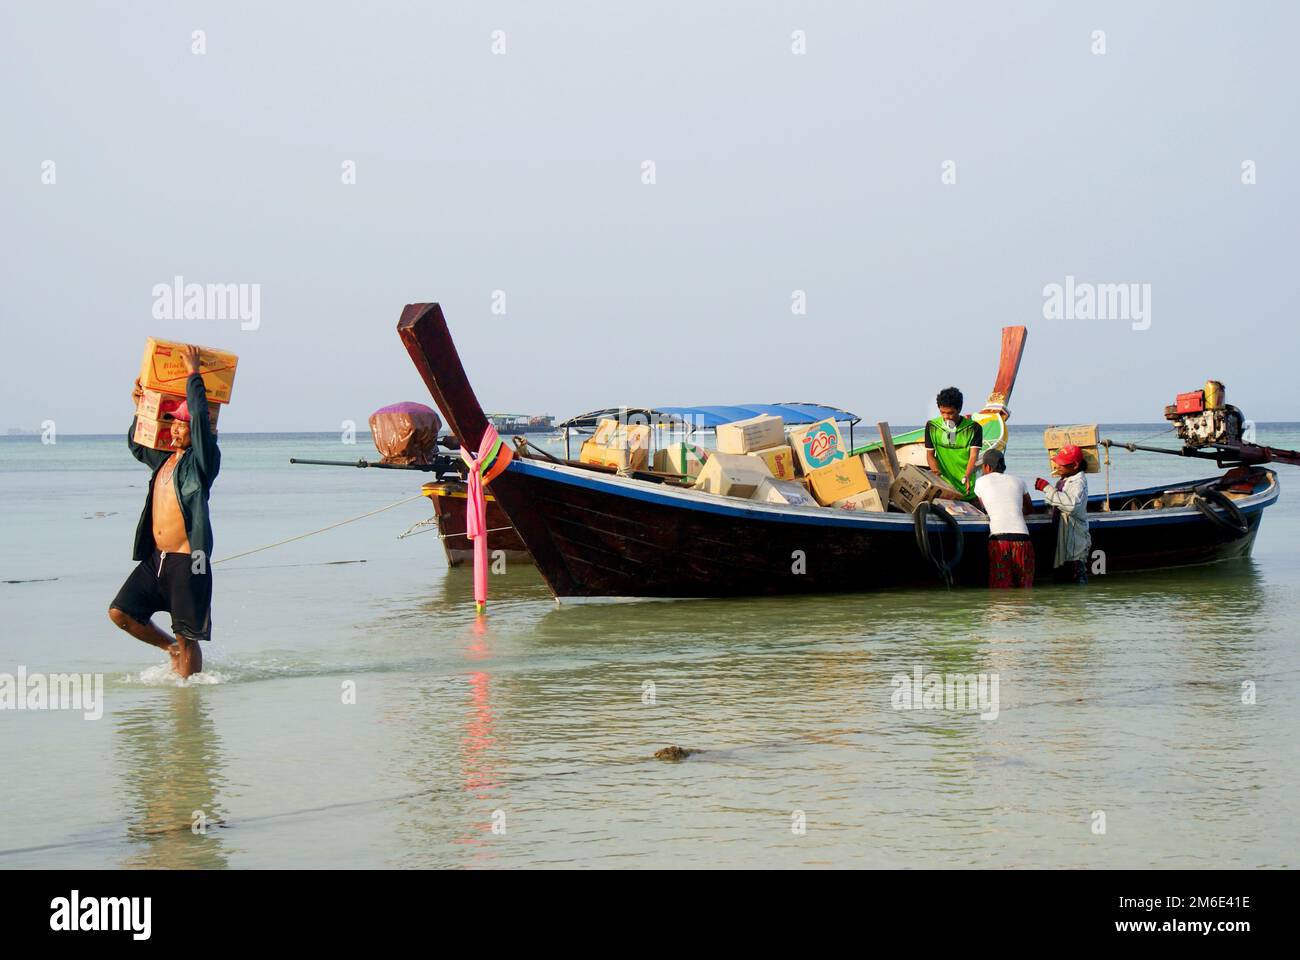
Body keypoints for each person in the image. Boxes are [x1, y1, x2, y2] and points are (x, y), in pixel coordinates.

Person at [108, 346, 220, 678]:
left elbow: (201, 421)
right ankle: (168, 648)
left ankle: (189, 705)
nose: (174, 429)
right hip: (157, 560)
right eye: (172, 424)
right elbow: (138, 443)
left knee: (189, 638)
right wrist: (139, 406)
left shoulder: (202, 464)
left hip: (190, 560)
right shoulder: (164, 462)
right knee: (121, 613)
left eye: (181, 426)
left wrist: (193, 374)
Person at [973, 449, 1035, 588]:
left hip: (999, 540)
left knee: (1000, 589)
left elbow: (983, 507)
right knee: (1025, 588)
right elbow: (1030, 509)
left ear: (987, 467)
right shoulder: (1019, 481)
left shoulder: (981, 482)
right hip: (1023, 539)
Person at [1034, 444, 1091, 584]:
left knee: (1075, 586)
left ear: (1075, 465)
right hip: (1063, 545)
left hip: (1074, 549)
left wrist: (1047, 488)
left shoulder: (1078, 483)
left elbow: (1071, 506)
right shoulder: (1065, 480)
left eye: (1062, 464)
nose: (1057, 467)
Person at [925, 387, 983, 501]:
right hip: (944, 488)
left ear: (959, 409)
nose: (946, 417)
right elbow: (930, 454)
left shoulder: (974, 428)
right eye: (942, 412)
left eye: (951, 413)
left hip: (966, 486)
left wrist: (967, 475)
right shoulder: (932, 426)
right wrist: (935, 471)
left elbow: (973, 456)